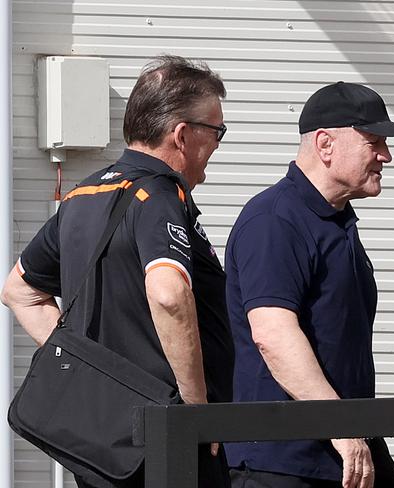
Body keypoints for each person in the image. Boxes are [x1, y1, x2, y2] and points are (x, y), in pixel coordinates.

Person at [1, 55, 234, 488]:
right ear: (182, 135)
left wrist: (89, 371)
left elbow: (20, 290)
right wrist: (196, 412)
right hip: (166, 444)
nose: (218, 144)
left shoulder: (82, 196)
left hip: (108, 443)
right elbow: (168, 295)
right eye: (217, 132)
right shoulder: (160, 194)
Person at [224, 81, 394, 488]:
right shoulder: (275, 221)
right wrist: (341, 428)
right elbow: (273, 334)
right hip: (283, 463)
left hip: (340, 453)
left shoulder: (334, 220)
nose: (386, 156)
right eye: (374, 142)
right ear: (325, 144)